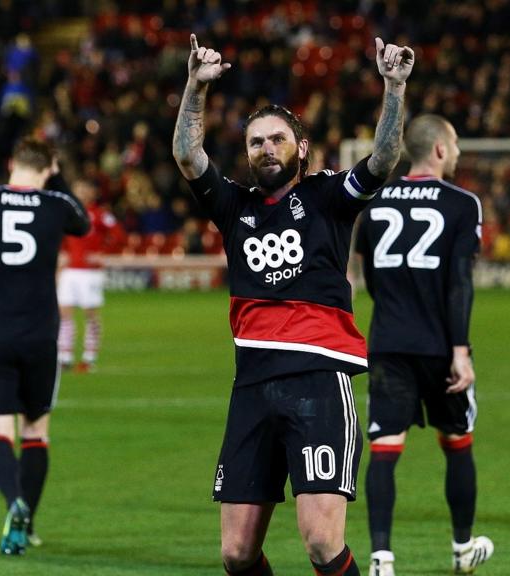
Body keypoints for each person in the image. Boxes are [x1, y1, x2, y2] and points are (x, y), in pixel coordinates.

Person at [172, 34, 412, 576]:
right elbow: (188, 154)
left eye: (277, 139)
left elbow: (383, 159)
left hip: (318, 379)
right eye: (256, 142)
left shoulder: (328, 197)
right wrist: (195, 85)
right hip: (252, 385)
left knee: (322, 543)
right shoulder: (234, 207)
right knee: (236, 553)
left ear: (300, 148)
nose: (265, 149)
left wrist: (393, 88)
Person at [354, 115, 493, 575]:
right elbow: (459, 283)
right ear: (437, 149)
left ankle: (381, 560)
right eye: (453, 143)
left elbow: (370, 279)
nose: (457, 152)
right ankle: (462, 548)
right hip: (439, 346)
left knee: (385, 448)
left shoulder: (373, 204)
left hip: (389, 342)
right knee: (457, 441)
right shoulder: (462, 204)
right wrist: (461, 350)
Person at [0, 138, 89, 555]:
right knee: (36, 432)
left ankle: (14, 503)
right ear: (48, 169)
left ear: (10, 163)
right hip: (41, 336)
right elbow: (84, 223)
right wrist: (58, 177)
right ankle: (27, 526)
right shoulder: (56, 205)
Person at [57, 178, 126, 372]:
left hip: (90, 273)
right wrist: (63, 256)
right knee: (64, 313)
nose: (80, 193)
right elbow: (61, 238)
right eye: (77, 189)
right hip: (70, 270)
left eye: (84, 189)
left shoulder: (100, 215)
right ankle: (65, 356)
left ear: (91, 192)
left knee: (90, 314)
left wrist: (102, 254)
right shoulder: (68, 213)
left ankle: (89, 356)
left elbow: (119, 237)